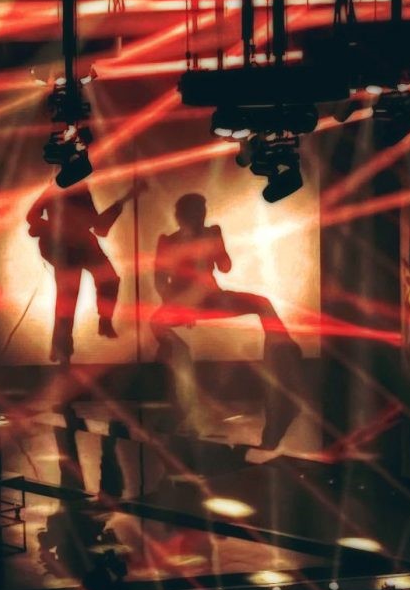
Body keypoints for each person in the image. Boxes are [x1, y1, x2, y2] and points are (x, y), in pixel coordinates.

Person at [150, 193, 301, 447]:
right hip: (181, 300)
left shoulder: (212, 232)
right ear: (181, 217)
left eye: (202, 213)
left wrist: (216, 245)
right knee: (157, 324)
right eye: (194, 213)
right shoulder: (168, 241)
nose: (200, 218)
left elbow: (225, 266)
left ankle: (282, 362)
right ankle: (180, 398)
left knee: (263, 305)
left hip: (211, 297)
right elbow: (159, 280)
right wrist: (176, 304)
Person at [27, 180, 145, 364]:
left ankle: (101, 323)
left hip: (82, 245)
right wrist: (53, 228)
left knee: (108, 280)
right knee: (69, 297)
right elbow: (32, 216)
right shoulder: (55, 189)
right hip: (64, 247)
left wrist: (126, 198)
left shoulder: (81, 190)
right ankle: (62, 348)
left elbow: (98, 226)